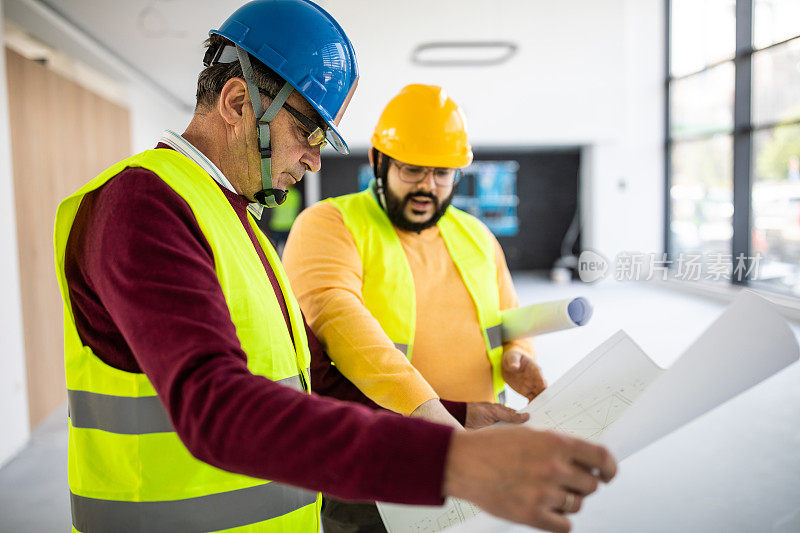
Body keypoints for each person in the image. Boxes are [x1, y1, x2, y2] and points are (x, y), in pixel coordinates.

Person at [53, 2, 616, 532]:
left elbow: (308, 385)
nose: (316, 159)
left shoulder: (232, 216)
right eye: (308, 132)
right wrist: (452, 461)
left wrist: (455, 413)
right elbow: (215, 407)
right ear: (236, 103)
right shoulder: (143, 205)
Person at [282, 83, 549, 531]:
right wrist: (442, 420)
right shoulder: (330, 224)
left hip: (478, 455)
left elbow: (507, 317)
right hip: (377, 468)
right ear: (378, 162)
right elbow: (344, 327)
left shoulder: (477, 236)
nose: (428, 186)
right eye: (412, 170)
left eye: (442, 173)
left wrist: (519, 352)